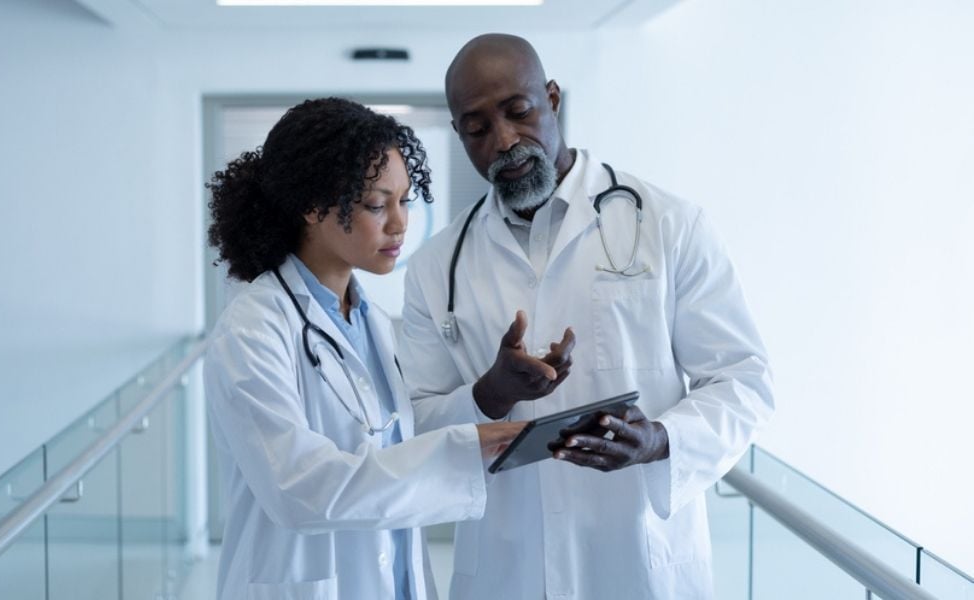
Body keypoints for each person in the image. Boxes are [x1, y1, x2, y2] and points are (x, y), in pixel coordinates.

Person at [399, 34, 775, 599]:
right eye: (477, 129)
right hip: (508, 567)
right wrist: (488, 394)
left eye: (518, 111)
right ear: (459, 136)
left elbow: (743, 379)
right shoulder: (436, 267)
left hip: (640, 559)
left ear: (551, 98)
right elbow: (415, 422)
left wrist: (663, 439)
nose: (503, 141)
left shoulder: (670, 226)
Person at [204, 97, 535, 600]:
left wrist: (489, 398)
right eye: (378, 205)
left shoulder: (370, 321)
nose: (400, 224)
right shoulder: (253, 330)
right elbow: (300, 488)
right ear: (314, 207)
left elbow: (392, 444)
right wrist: (462, 452)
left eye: (405, 201)